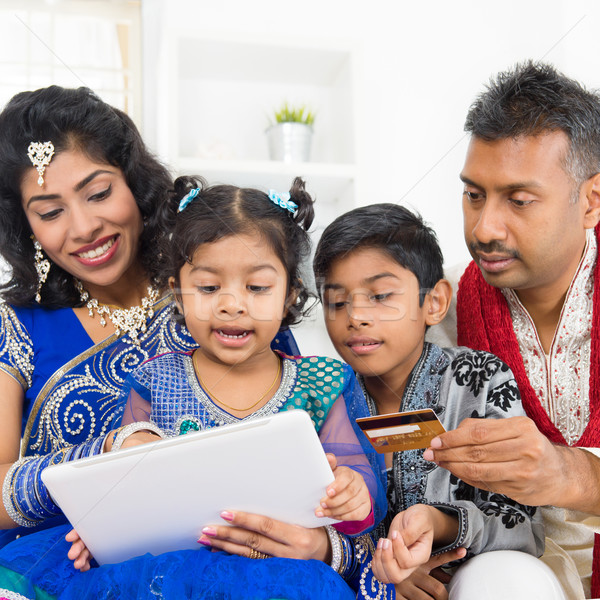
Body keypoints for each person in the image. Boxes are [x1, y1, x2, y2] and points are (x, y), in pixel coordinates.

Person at [0, 176, 387, 600]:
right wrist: (99, 529)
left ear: (290, 296)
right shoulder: (153, 380)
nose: (231, 303)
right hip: (165, 571)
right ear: (178, 296)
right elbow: (120, 485)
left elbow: (358, 478)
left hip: (275, 573)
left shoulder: (321, 383)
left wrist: (352, 493)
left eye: (257, 288)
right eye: (208, 287)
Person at [0, 86, 299, 551]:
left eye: (98, 193)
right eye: (51, 211)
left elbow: (288, 435)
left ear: (134, 185)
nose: (83, 228)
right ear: (27, 226)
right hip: (58, 563)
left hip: (220, 549)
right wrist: (104, 456)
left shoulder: (216, 290)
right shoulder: (16, 324)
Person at [311, 203, 559, 600]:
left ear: (435, 302)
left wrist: (439, 524)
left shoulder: (478, 379)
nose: (355, 316)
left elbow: (522, 525)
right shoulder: (320, 398)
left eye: (379, 296)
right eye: (337, 302)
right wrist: (382, 566)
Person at [425, 61, 600, 599]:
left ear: (591, 200)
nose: (484, 228)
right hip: (513, 561)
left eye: (519, 200)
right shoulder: (443, 304)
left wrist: (571, 475)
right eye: (474, 194)